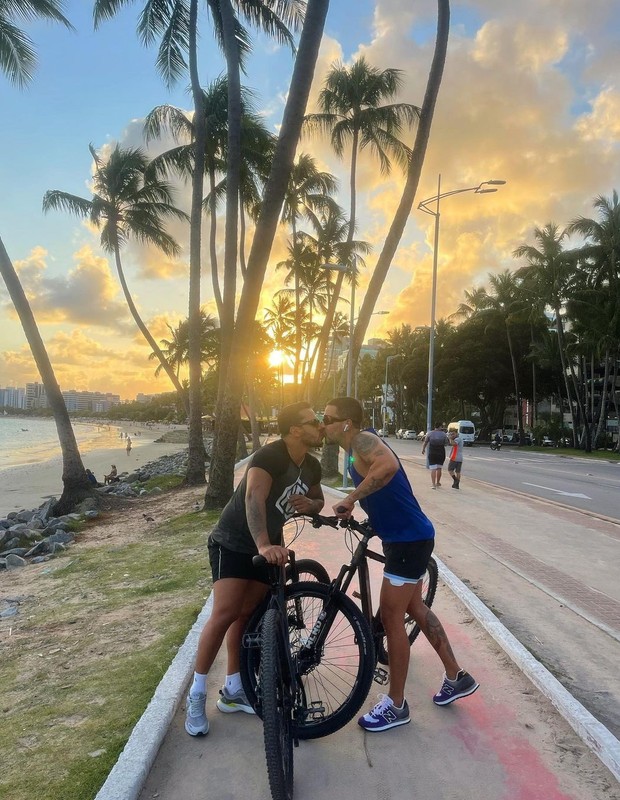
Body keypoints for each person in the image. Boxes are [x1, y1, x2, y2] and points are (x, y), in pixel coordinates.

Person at [323, 397, 478, 733]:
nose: (324, 424)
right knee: (416, 609)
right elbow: (388, 491)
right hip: (407, 537)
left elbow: (387, 469)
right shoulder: (357, 445)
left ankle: (396, 705)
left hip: (408, 542)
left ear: (347, 422)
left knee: (393, 617)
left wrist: (350, 497)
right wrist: (369, 516)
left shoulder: (363, 439)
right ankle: (456, 677)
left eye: (328, 418)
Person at [184, 401, 325, 736]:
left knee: (247, 616)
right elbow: (253, 499)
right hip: (233, 542)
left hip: (268, 547)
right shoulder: (269, 456)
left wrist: (312, 505)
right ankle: (197, 693)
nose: (320, 425)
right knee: (225, 612)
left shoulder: (312, 465)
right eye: (314, 420)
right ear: (295, 429)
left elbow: (318, 500)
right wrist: (263, 545)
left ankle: (234, 691)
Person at [421, 422, 449, 488]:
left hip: (432, 452)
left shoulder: (430, 433)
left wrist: (423, 449)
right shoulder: (443, 434)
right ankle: (438, 482)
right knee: (439, 468)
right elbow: (446, 444)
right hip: (441, 452)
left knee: (433, 468)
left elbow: (425, 442)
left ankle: (433, 484)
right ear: (440, 427)